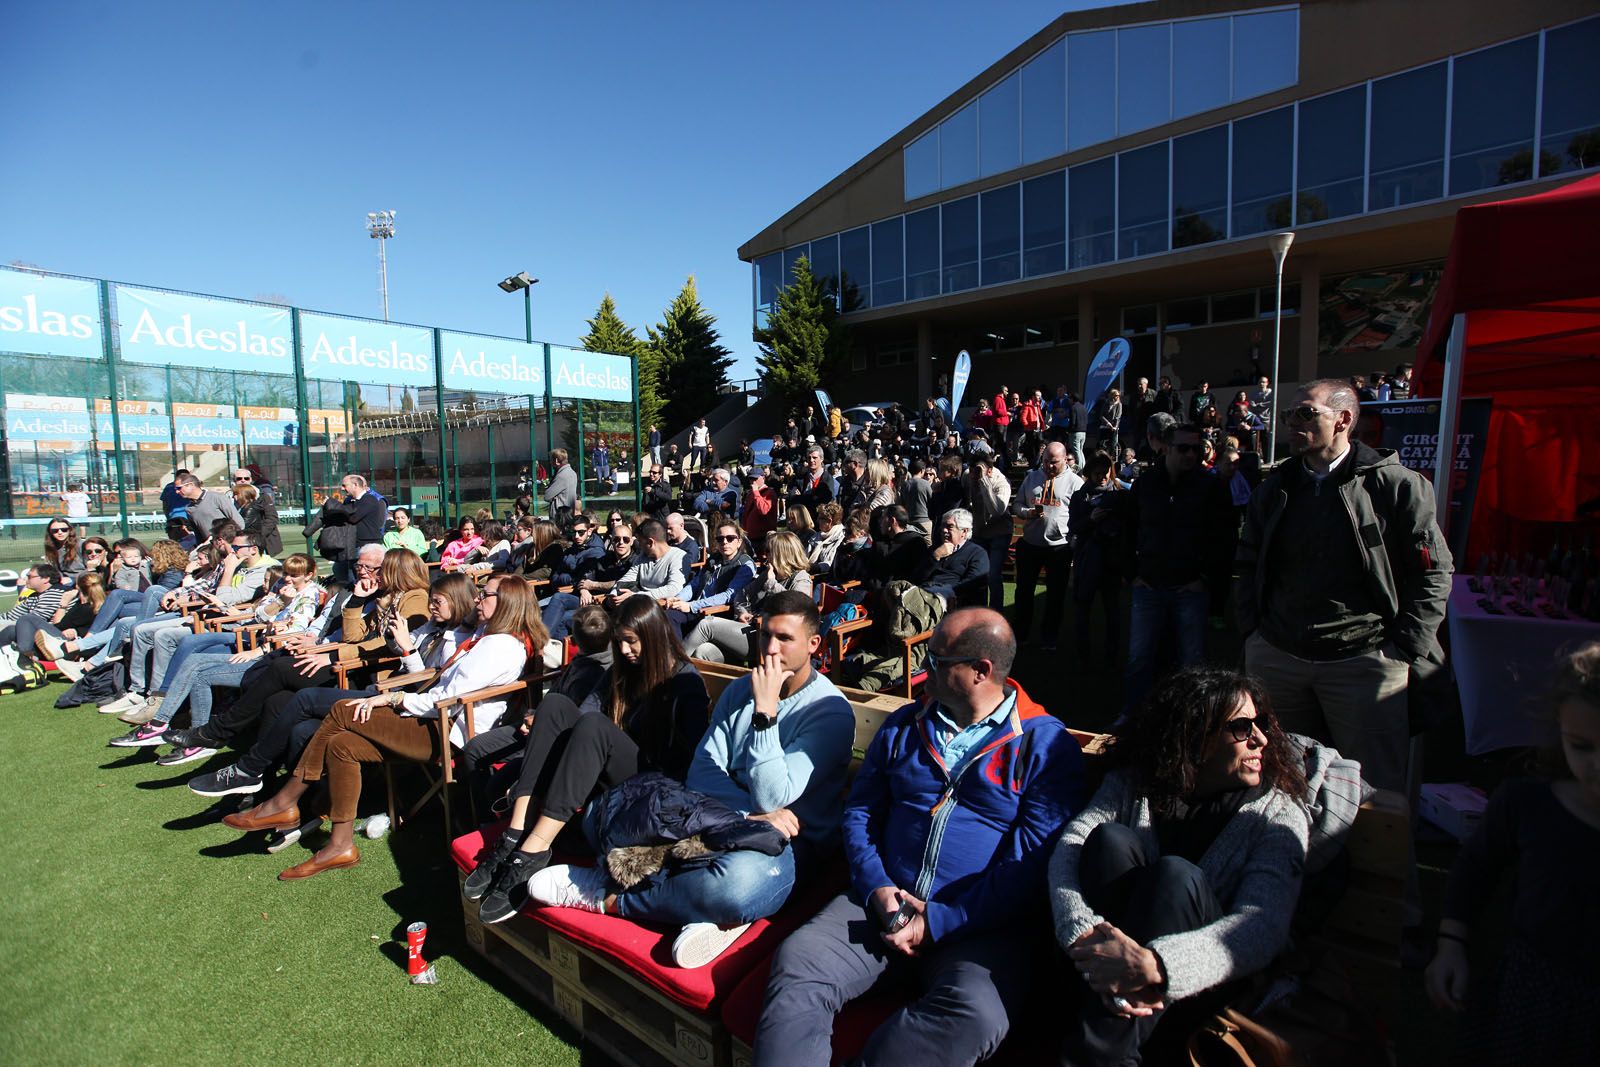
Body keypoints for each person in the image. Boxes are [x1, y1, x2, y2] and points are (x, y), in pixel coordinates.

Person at [755, 608, 1082, 1067]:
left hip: (978, 929)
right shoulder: (906, 724)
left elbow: (1029, 864)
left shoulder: (1042, 747)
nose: (923, 669)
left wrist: (941, 921)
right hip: (879, 905)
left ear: (980, 671)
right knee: (800, 962)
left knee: (976, 1014)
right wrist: (875, 887)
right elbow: (861, 811)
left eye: (937, 660)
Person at [525, 591, 855, 969]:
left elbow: (772, 796)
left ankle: (609, 897)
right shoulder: (739, 691)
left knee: (739, 885)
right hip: (721, 819)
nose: (770, 648)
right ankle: (700, 912)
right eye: (765, 635)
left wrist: (766, 714)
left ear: (813, 644)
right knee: (599, 816)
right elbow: (703, 771)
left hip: (789, 843)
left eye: (784, 638)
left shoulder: (828, 713)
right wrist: (741, 817)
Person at [1050, 667, 1313, 1066]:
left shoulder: (1276, 815)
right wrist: (1078, 928)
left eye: (1260, 724)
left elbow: (1263, 924)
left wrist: (1156, 965)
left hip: (1206, 977)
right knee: (1107, 839)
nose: (1260, 739)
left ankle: (1098, 1053)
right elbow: (1072, 843)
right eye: (1242, 727)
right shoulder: (1137, 782)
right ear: (1196, 739)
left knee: (1175, 877)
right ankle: (1110, 1029)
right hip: (1106, 969)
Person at [222, 574, 544, 879]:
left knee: (341, 711)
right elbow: (439, 684)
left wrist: (393, 699)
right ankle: (340, 844)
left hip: (443, 730)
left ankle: (286, 802)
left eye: (485, 594)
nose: (477, 599)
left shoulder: (498, 646)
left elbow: (447, 698)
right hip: (434, 718)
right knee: (341, 744)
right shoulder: (485, 638)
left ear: (505, 603)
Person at [1235, 379, 1452, 796]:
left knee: (1374, 796)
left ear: (1344, 420)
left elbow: (1434, 572)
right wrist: (1254, 635)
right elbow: (1246, 563)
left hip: (1365, 661)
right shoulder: (1274, 488)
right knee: (1277, 782)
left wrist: (1403, 647)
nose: (1292, 423)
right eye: (1288, 415)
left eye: (1305, 413)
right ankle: (1290, 860)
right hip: (1279, 655)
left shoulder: (1396, 486)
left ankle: (1367, 865)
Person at [470, 595, 713, 921]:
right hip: (612, 773)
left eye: (631, 642)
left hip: (654, 786)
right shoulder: (622, 670)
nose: (625, 650)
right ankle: (515, 831)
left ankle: (533, 851)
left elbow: (693, 759)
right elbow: (584, 714)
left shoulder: (684, 682)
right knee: (555, 707)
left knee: (596, 726)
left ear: (653, 636)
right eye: (620, 642)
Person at [1424, 641, 1600, 1066]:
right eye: (1581, 746)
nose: (1597, 766)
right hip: (1531, 994)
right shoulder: (1528, 804)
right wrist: (1451, 943)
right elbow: (1475, 869)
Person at [1121, 423, 1236, 711]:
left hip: (1190, 587)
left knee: (1192, 662)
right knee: (1139, 659)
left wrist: (1206, 579)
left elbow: (1224, 540)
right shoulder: (1146, 484)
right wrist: (1132, 574)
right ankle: (1133, 718)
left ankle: (1191, 721)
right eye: (1183, 448)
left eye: (1196, 448)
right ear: (1167, 448)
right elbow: (1127, 529)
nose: (1191, 454)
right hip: (1148, 585)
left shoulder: (1211, 487)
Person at [683, 530, 812, 665]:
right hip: (751, 630)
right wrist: (743, 611)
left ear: (782, 554)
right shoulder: (769, 574)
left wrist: (772, 584)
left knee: (707, 624)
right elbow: (742, 594)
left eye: (768, 551)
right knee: (703, 651)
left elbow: (797, 608)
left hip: (771, 639)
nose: (764, 555)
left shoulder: (801, 578)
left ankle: (673, 669)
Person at [1011, 442, 1082, 651]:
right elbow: (1017, 505)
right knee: (1023, 593)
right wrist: (1027, 513)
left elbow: (1079, 514)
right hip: (1031, 544)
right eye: (1046, 462)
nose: (1049, 467)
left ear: (1065, 459)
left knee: (1055, 595)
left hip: (1059, 547)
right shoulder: (1032, 477)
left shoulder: (1074, 482)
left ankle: (1049, 638)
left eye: (1054, 463)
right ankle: (1021, 635)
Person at [1069, 454, 1126, 665]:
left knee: (1113, 611)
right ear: (1090, 474)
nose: (1103, 477)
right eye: (1098, 473)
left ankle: (1112, 656)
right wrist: (1091, 520)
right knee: (1083, 608)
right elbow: (1074, 526)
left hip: (1111, 560)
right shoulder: (1080, 496)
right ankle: (1083, 657)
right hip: (1087, 558)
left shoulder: (1120, 495)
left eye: (1106, 472)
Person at [322, 474, 386, 585]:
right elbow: (341, 517)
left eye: (344, 485)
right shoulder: (348, 501)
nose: (342, 488)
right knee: (340, 571)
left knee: (359, 579)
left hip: (365, 546)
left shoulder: (369, 500)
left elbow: (353, 517)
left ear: (355, 485)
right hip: (350, 546)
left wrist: (333, 505)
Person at [918, 508, 989, 608]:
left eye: (949, 527)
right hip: (924, 597)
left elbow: (973, 584)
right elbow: (917, 577)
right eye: (943, 526)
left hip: (953, 603)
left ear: (964, 532)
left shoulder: (977, 553)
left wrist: (943, 592)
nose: (943, 530)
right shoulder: (935, 549)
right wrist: (935, 557)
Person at [234, 481, 282, 557]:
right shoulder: (242, 507)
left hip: (252, 542)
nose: (234, 497)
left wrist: (260, 535)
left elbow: (242, 526)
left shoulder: (250, 508)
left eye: (236, 494)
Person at [806, 502, 846, 576]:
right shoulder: (817, 535)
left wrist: (810, 567)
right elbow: (806, 555)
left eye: (820, 518)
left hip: (823, 578)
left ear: (829, 521)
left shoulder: (842, 537)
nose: (817, 520)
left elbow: (829, 564)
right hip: (808, 572)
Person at [544, 448, 579, 525]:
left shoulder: (562, 475)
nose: (550, 462)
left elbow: (547, 496)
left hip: (559, 516)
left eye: (551, 460)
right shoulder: (572, 473)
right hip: (568, 513)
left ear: (556, 461)